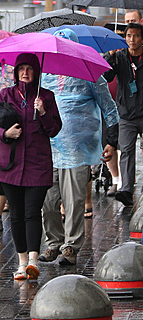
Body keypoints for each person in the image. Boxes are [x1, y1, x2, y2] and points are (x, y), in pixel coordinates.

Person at [39, 29, 119, 266]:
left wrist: (111, 141)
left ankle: (71, 246)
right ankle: (53, 242)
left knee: (73, 201)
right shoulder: (46, 75)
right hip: (50, 147)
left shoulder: (91, 76)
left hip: (78, 148)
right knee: (47, 200)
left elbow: (109, 109)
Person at [0, 53, 62, 280]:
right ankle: (21, 262)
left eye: (29, 68)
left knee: (32, 212)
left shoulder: (46, 96)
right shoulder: (5, 95)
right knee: (16, 214)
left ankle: (34, 261)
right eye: (21, 68)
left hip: (37, 165)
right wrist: (5, 133)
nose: (25, 72)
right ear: (16, 72)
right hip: (10, 165)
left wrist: (44, 113)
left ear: (36, 72)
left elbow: (55, 129)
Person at [104, 23, 143, 206]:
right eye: (128, 36)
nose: (132, 40)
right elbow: (107, 76)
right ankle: (126, 189)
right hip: (126, 113)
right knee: (126, 151)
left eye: (135, 36)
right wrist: (110, 55)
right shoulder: (119, 57)